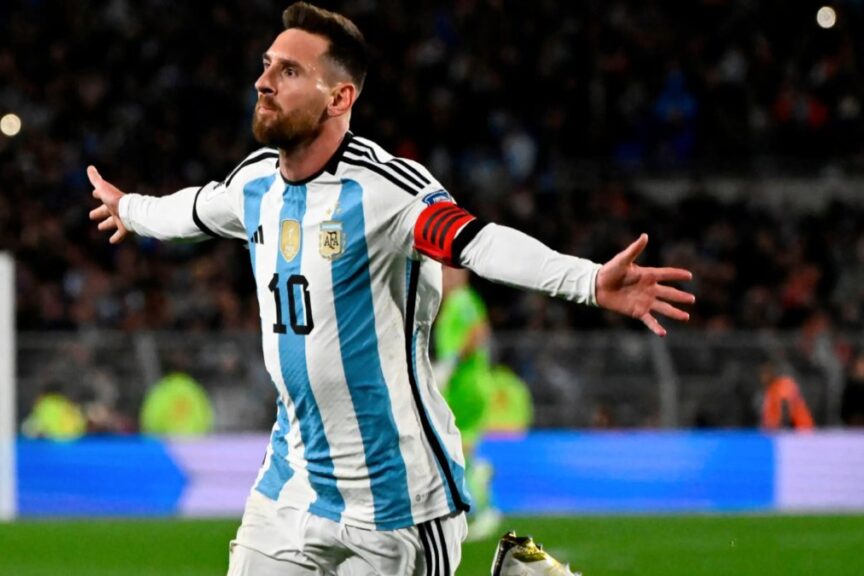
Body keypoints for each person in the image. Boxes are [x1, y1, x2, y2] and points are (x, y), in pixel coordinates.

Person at [88, 3, 694, 574]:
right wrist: (130, 210)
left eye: (289, 70)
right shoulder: (255, 186)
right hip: (292, 480)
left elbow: (476, 242)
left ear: (340, 97)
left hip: (399, 493)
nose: (264, 81)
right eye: (266, 65)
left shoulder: (386, 190)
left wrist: (587, 280)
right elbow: (189, 210)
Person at [433, 266, 500, 541]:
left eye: (449, 273)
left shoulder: (462, 300)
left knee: (459, 447)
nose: (444, 278)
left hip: (468, 388)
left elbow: (479, 331)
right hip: (460, 387)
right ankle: (477, 477)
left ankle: (485, 509)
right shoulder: (451, 304)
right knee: (454, 448)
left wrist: (453, 362)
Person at [140, 371, 215, 437]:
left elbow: (150, 419)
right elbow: (206, 416)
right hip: (193, 445)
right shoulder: (193, 389)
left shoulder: (160, 390)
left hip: (166, 445)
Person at [21, 383, 86, 441]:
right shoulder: (67, 403)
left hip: (52, 437)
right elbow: (80, 423)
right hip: (72, 438)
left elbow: (39, 423)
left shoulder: (44, 404)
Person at [759, 363, 815, 431]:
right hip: (778, 431)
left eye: (766, 373)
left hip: (800, 431)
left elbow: (785, 407)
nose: (763, 377)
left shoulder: (783, 384)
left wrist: (781, 429)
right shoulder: (771, 388)